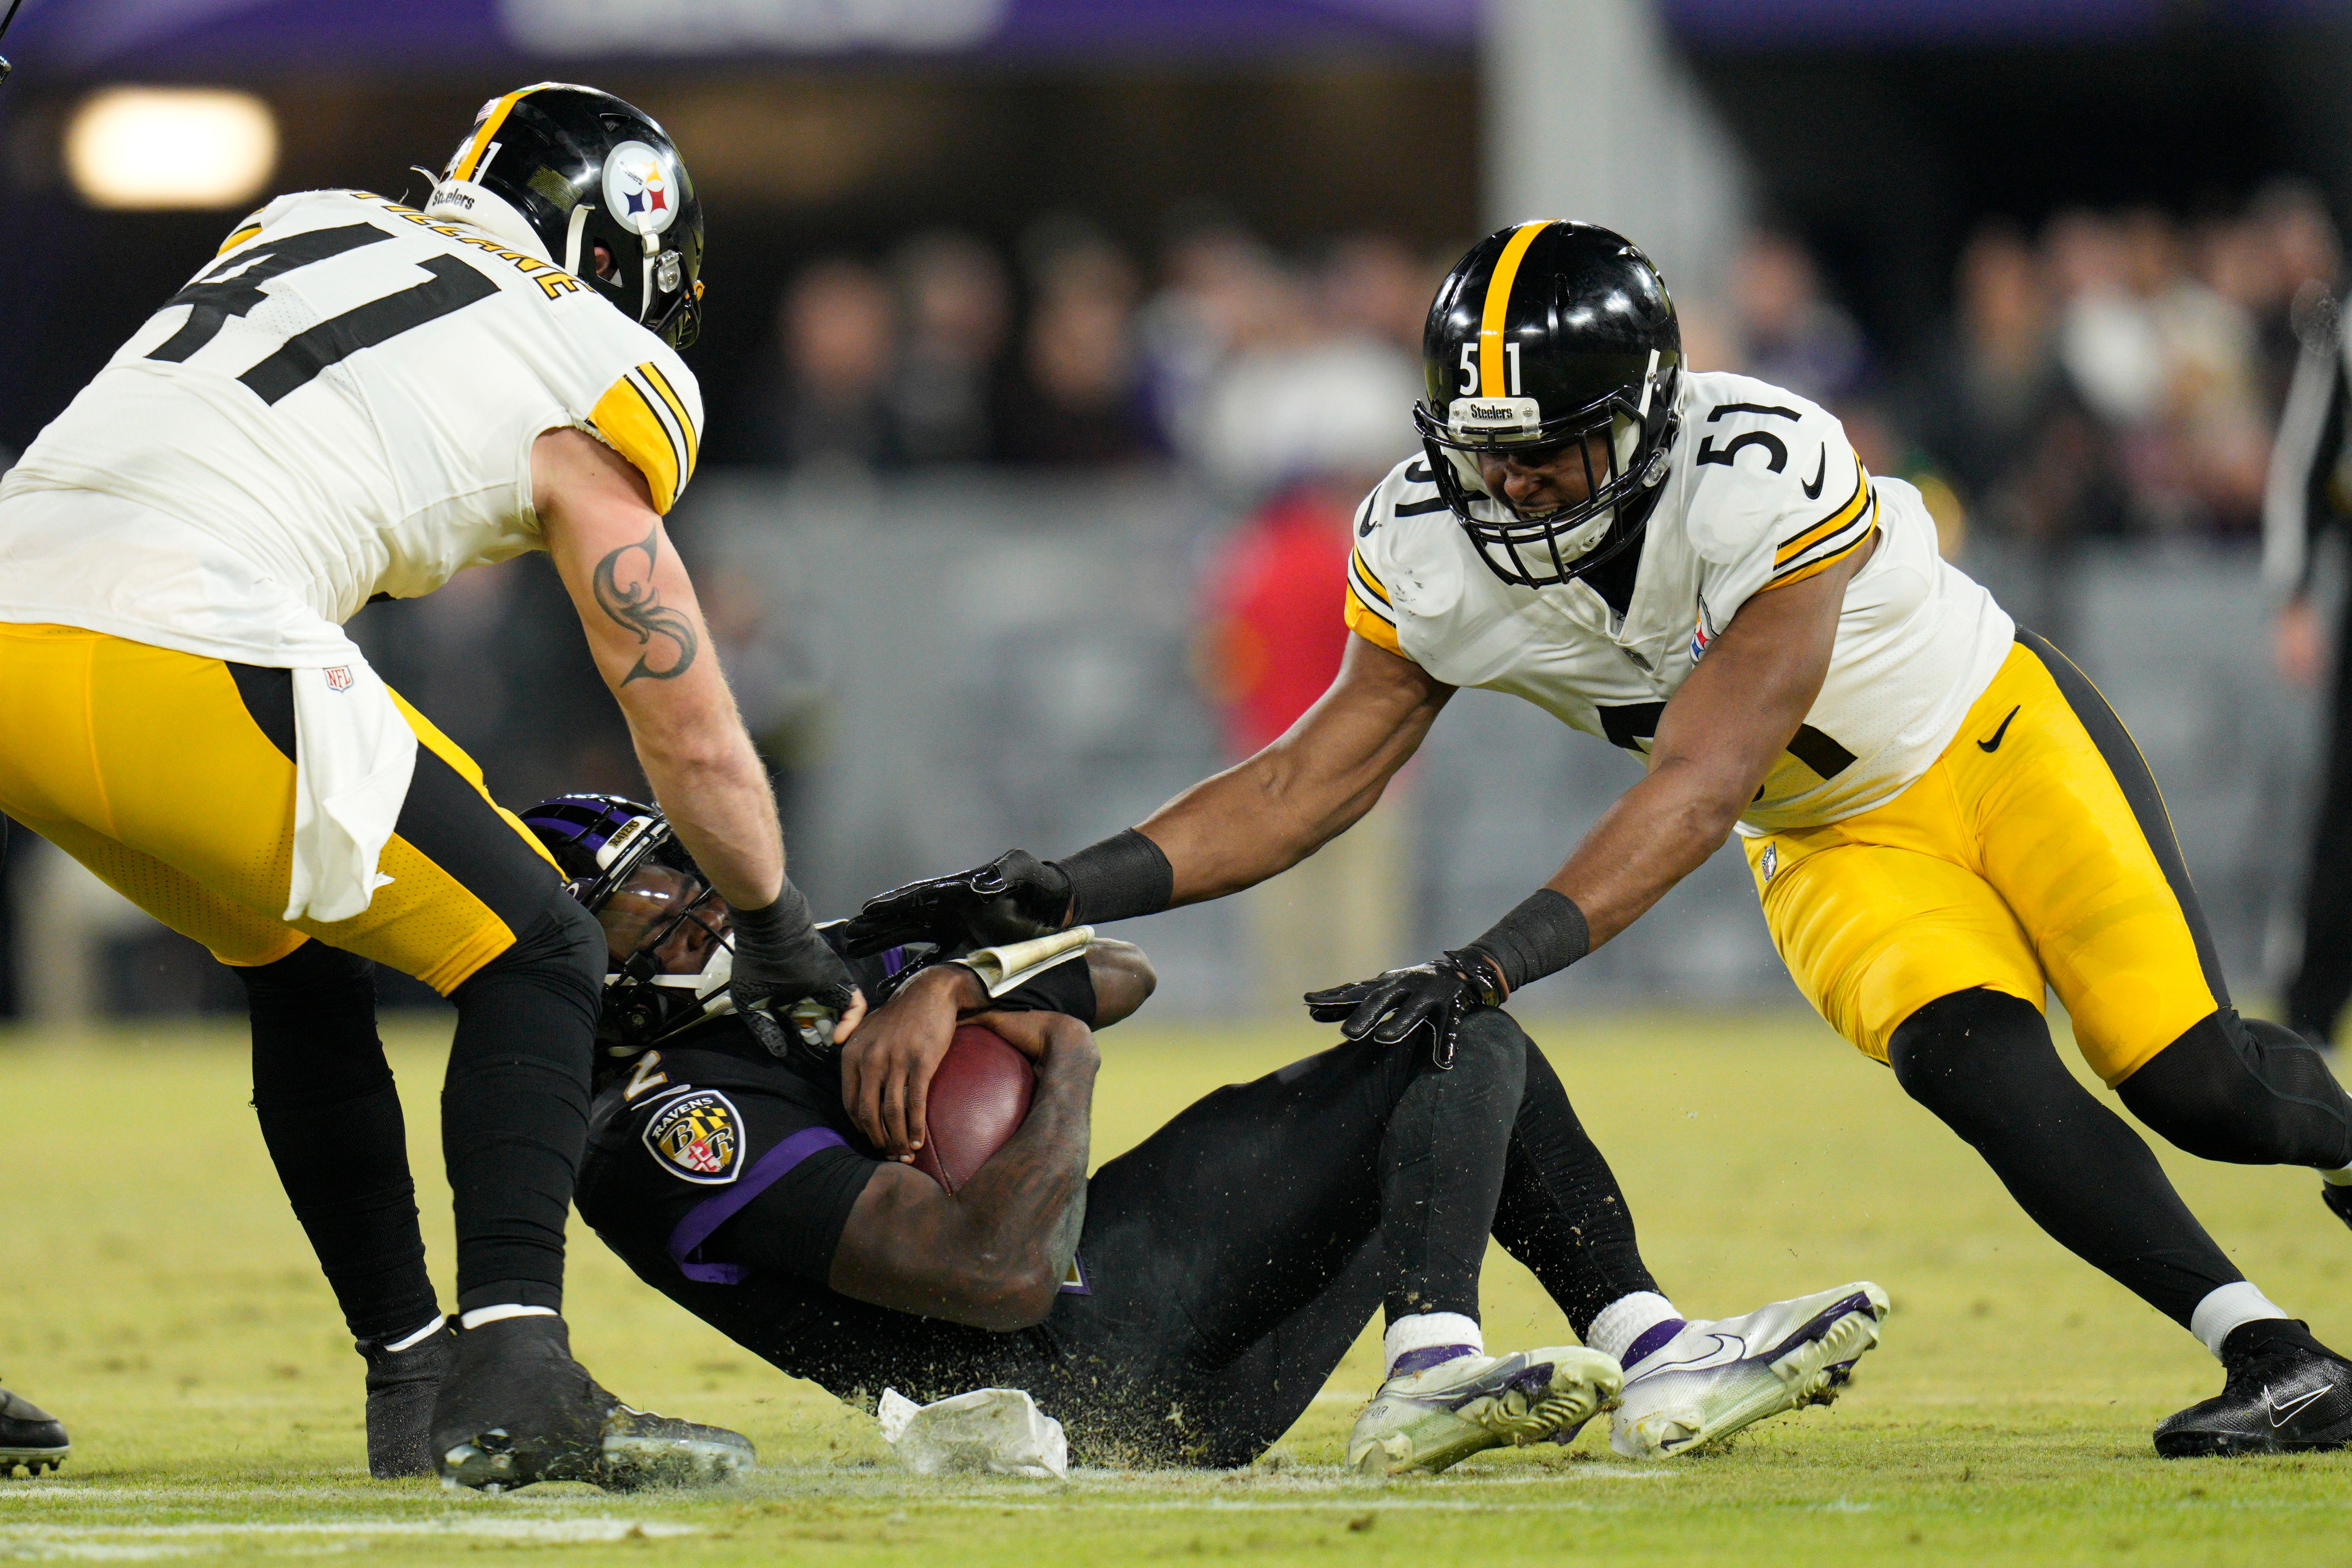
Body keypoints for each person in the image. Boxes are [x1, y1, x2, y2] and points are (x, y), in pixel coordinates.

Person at [846, 220, 2352, 1458]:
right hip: (1829, 842)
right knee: (1986, 1079)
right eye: (1485, 450)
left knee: (2197, 1082)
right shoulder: (1430, 539)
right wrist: (1068, 879)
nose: (1511, 487)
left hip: (1988, 739)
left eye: (1549, 452)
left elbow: (1696, 782)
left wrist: (1491, 967)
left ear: (1643, 414)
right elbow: (1310, 779)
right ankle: (2278, 1357)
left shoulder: (1763, 469)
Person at [0, 83, 866, 1487]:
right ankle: (519, 1372)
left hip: (18, 603)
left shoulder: (310, 219)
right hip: (179, 625)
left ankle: (413, 1379)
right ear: (627, 251)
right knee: (538, 946)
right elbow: (684, 714)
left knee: (294, 948)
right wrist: (771, 920)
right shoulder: (594, 361)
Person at [517, 794, 1887, 1473]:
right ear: (584, 949)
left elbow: (1117, 964)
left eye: (688, 873)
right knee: (1451, 1033)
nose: (699, 905)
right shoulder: (660, 1127)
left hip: (1172, 1396)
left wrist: (949, 985)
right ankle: (1441, 1364)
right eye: (654, 902)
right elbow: (995, 1279)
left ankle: (1653, 1348)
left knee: (1461, 1042)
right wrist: (1053, 1057)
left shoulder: (795, 982)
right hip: (1072, 1362)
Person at [2265, 284, 2352, 1045]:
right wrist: (2292, 592)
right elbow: (2304, 457)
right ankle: (2313, 1006)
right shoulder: (2345, 316)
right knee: (2345, 805)